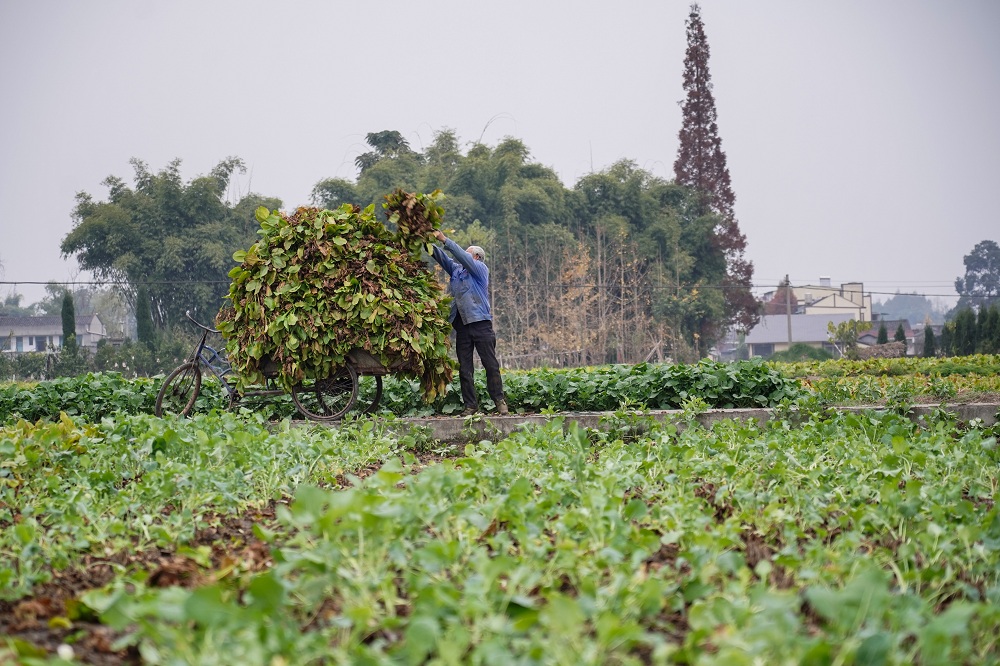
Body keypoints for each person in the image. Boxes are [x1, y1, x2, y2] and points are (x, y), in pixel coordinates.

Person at [430, 229, 508, 415]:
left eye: (467, 253)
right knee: (465, 369)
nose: (463, 256)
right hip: (462, 325)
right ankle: (470, 406)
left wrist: (444, 239)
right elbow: (443, 258)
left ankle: (499, 401)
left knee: (491, 365)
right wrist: (427, 242)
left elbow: (458, 254)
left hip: (481, 323)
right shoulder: (457, 271)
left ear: (476, 257)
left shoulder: (480, 269)